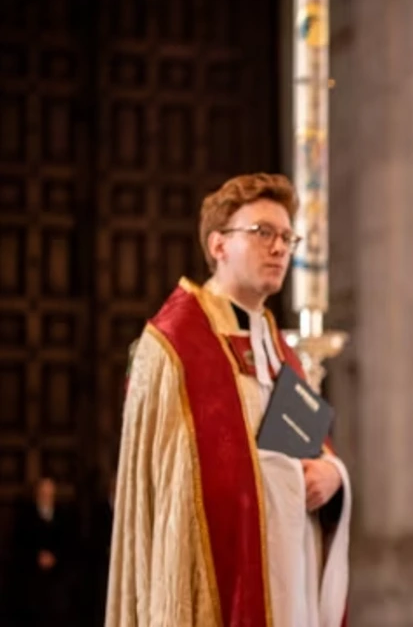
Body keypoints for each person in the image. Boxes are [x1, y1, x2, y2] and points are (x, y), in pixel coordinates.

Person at [107, 173, 351, 627]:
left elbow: (312, 448)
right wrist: (289, 482)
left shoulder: (275, 345)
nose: (279, 248)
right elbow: (180, 493)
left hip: (287, 588)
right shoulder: (175, 343)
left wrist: (333, 476)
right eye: (262, 233)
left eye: (286, 236)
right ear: (218, 245)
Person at [9, 477, 78, 626]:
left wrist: (55, 557)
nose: (46, 496)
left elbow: (69, 544)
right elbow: (19, 545)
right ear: (37, 494)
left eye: (49, 493)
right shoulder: (25, 517)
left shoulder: (63, 515)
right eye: (43, 493)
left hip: (57, 577)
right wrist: (37, 557)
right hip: (32, 576)